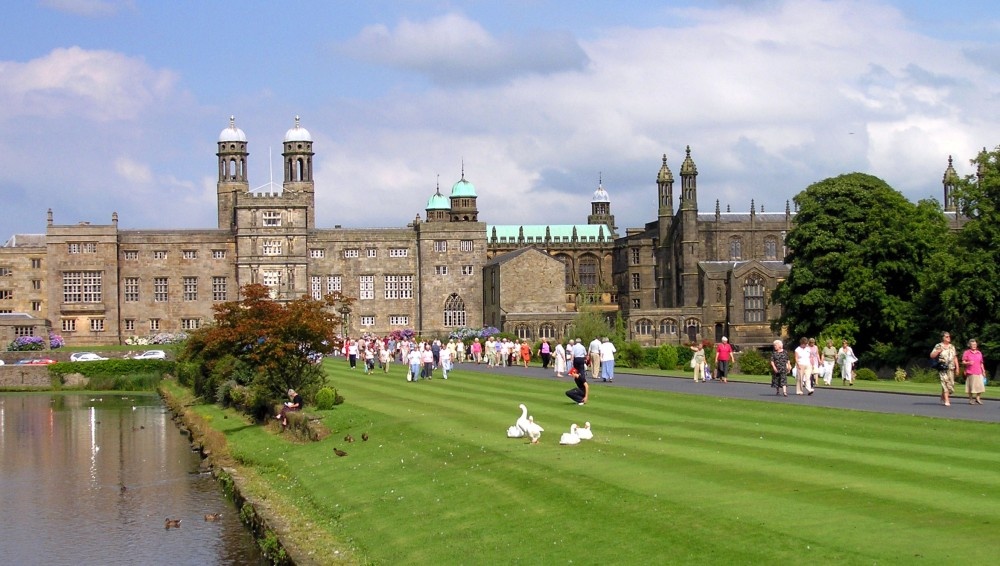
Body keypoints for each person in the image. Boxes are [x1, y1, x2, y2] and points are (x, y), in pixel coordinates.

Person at [930, 332, 957, 406]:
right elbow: (932, 355)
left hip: (951, 367)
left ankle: (943, 395)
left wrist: (957, 367)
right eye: (947, 337)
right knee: (945, 382)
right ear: (943, 338)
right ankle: (947, 400)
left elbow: (954, 357)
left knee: (951, 385)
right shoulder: (938, 346)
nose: (949, 338)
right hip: (942, 367)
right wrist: (938, 351)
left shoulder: (952, 346)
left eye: (949, 336)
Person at [961, 338, 985, 405]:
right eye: (973, 344)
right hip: (971, 372)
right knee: (971, 386)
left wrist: (983, 371)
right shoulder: (967, 352)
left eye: (975, 344)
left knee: (980, 386)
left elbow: (981, 363)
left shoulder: (979, 353)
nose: (974, 346)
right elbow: (963, 362)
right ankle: (971, 399)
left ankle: (978, 398)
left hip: (979, 371)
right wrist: (968, 362)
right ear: (970, 345)